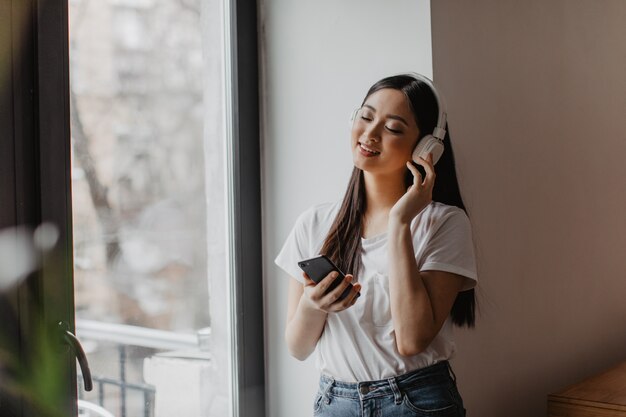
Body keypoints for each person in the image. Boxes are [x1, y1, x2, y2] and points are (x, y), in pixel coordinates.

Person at [275, 73, 478, 417]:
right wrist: (314, 305)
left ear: (427, 148)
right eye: (366, 117)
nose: (370, 134)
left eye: (394, 128)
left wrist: (400, 222)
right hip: (334, 403)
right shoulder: (314, 223)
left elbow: (412, 340)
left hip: (416, 403)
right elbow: (297, 347)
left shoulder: (444, 223)